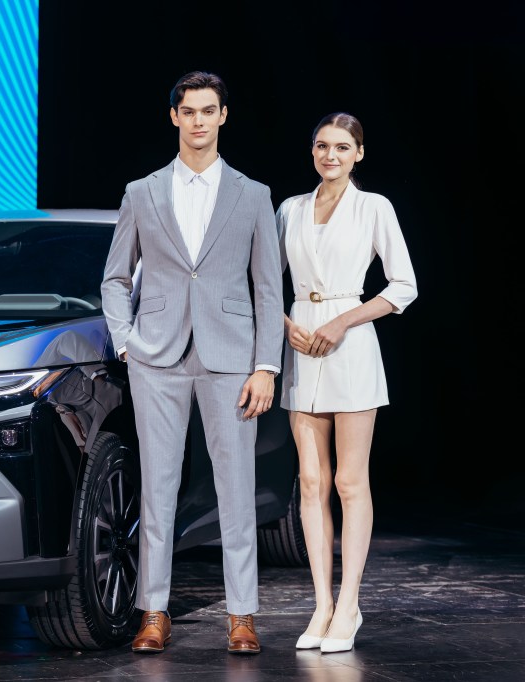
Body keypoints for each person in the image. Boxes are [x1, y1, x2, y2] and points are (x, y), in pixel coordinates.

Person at [101, 70, 283, 655]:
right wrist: (127, 342)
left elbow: (268, 290)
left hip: (232, 357)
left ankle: (242, 615)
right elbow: (115, 278)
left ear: (223, 116)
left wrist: (266, 365)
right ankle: (153, 612)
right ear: (174, 116)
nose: (199, 120)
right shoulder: (142, 191)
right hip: (157, 356)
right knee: (157, 487)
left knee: (236, 488)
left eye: (209, 110)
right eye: (190, 111)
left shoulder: (253, 195)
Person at [275, 112, 417, 653]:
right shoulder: (290, 208)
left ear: (358, 153)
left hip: (350, 345)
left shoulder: (374, 206)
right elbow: (263, 279)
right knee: (311, 481)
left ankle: (350, 603)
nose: (329, 155)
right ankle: (322, 604)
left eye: (341, 147)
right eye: (321, 145)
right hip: (299, 344)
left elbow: (403, 286)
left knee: (349, 482)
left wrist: (342, 322)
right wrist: (283, 323)